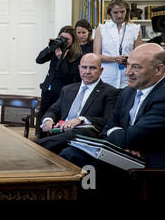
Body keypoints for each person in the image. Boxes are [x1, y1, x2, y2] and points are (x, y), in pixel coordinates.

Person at [60, 44, 165, 198]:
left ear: (159, 70)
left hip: (149, 163)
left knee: (77, 160)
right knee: (72, 152)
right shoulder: (127, 92)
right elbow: (107, 127)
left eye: (136, 67)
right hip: (123, 154)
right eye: (127, 65)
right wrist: (122, 140)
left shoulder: (162, 95)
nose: (128, 72)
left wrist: (121, 137)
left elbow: (131, 137)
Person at [37, 53, 119, 153]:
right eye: (84, 67)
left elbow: (108, 120)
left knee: (79, 132)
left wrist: (81, 119)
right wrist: (48, 120)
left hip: (84, 136)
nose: (87, 72)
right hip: (60, 133)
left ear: (101, 71)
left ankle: (36, 146)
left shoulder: (110, 92)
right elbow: (53, 110)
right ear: (79, 68)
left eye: (92, 68)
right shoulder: (68, 89)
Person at [36, 26, 82, 132]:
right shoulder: (56, 49)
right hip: (48, 90)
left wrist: (62, 58)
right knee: (44, 116)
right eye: (61, 37)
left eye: (67, 39)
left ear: (73, 40)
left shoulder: (77, 55)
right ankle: (40, 139)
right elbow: (39, 60)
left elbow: (68, 74)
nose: (63, 41)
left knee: (57, 118)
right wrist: (49, 47)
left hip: (63, 92)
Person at [93, 0, 143, 88]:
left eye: (122, 12)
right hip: (107, 79)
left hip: (128, 78)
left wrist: (127, 61)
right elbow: (96, 56)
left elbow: (139, 57)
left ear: (127, 11)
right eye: (115, 12)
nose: (119, 15)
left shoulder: (135, 29)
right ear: (109, 13)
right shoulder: (101, 29)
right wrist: (114, 59)